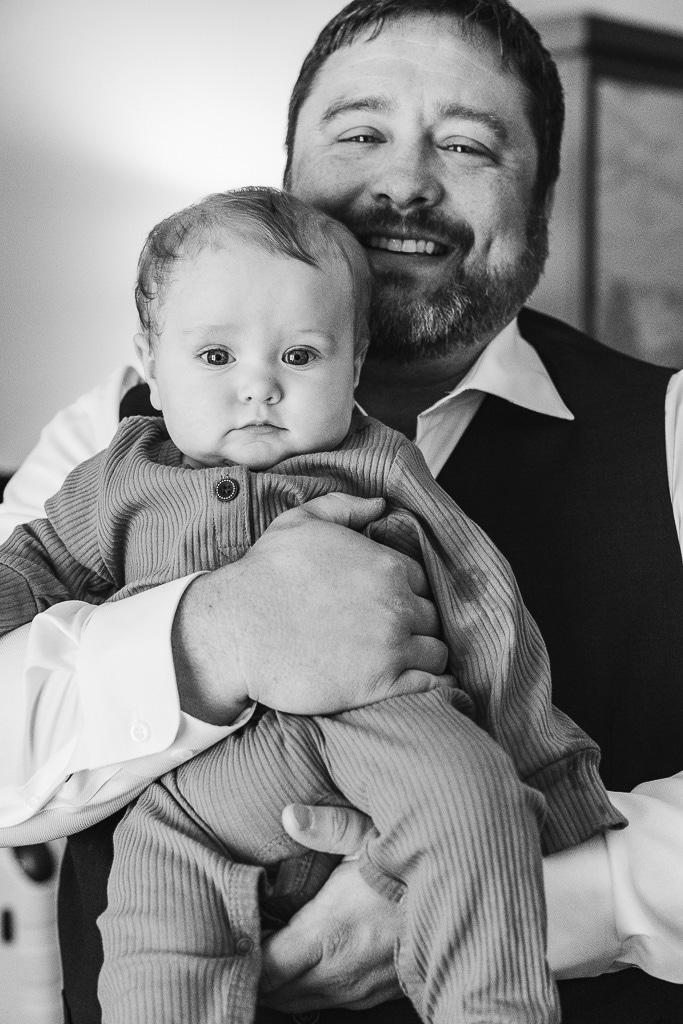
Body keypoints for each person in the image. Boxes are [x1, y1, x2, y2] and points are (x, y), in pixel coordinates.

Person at [0, 1, 681, 1023]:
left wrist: (525, 896)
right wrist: (214, 637)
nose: (404, 180)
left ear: (537, 201)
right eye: (359, 133)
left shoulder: (669, 430)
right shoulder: (107, 432)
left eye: (465, 144)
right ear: (289, 167)